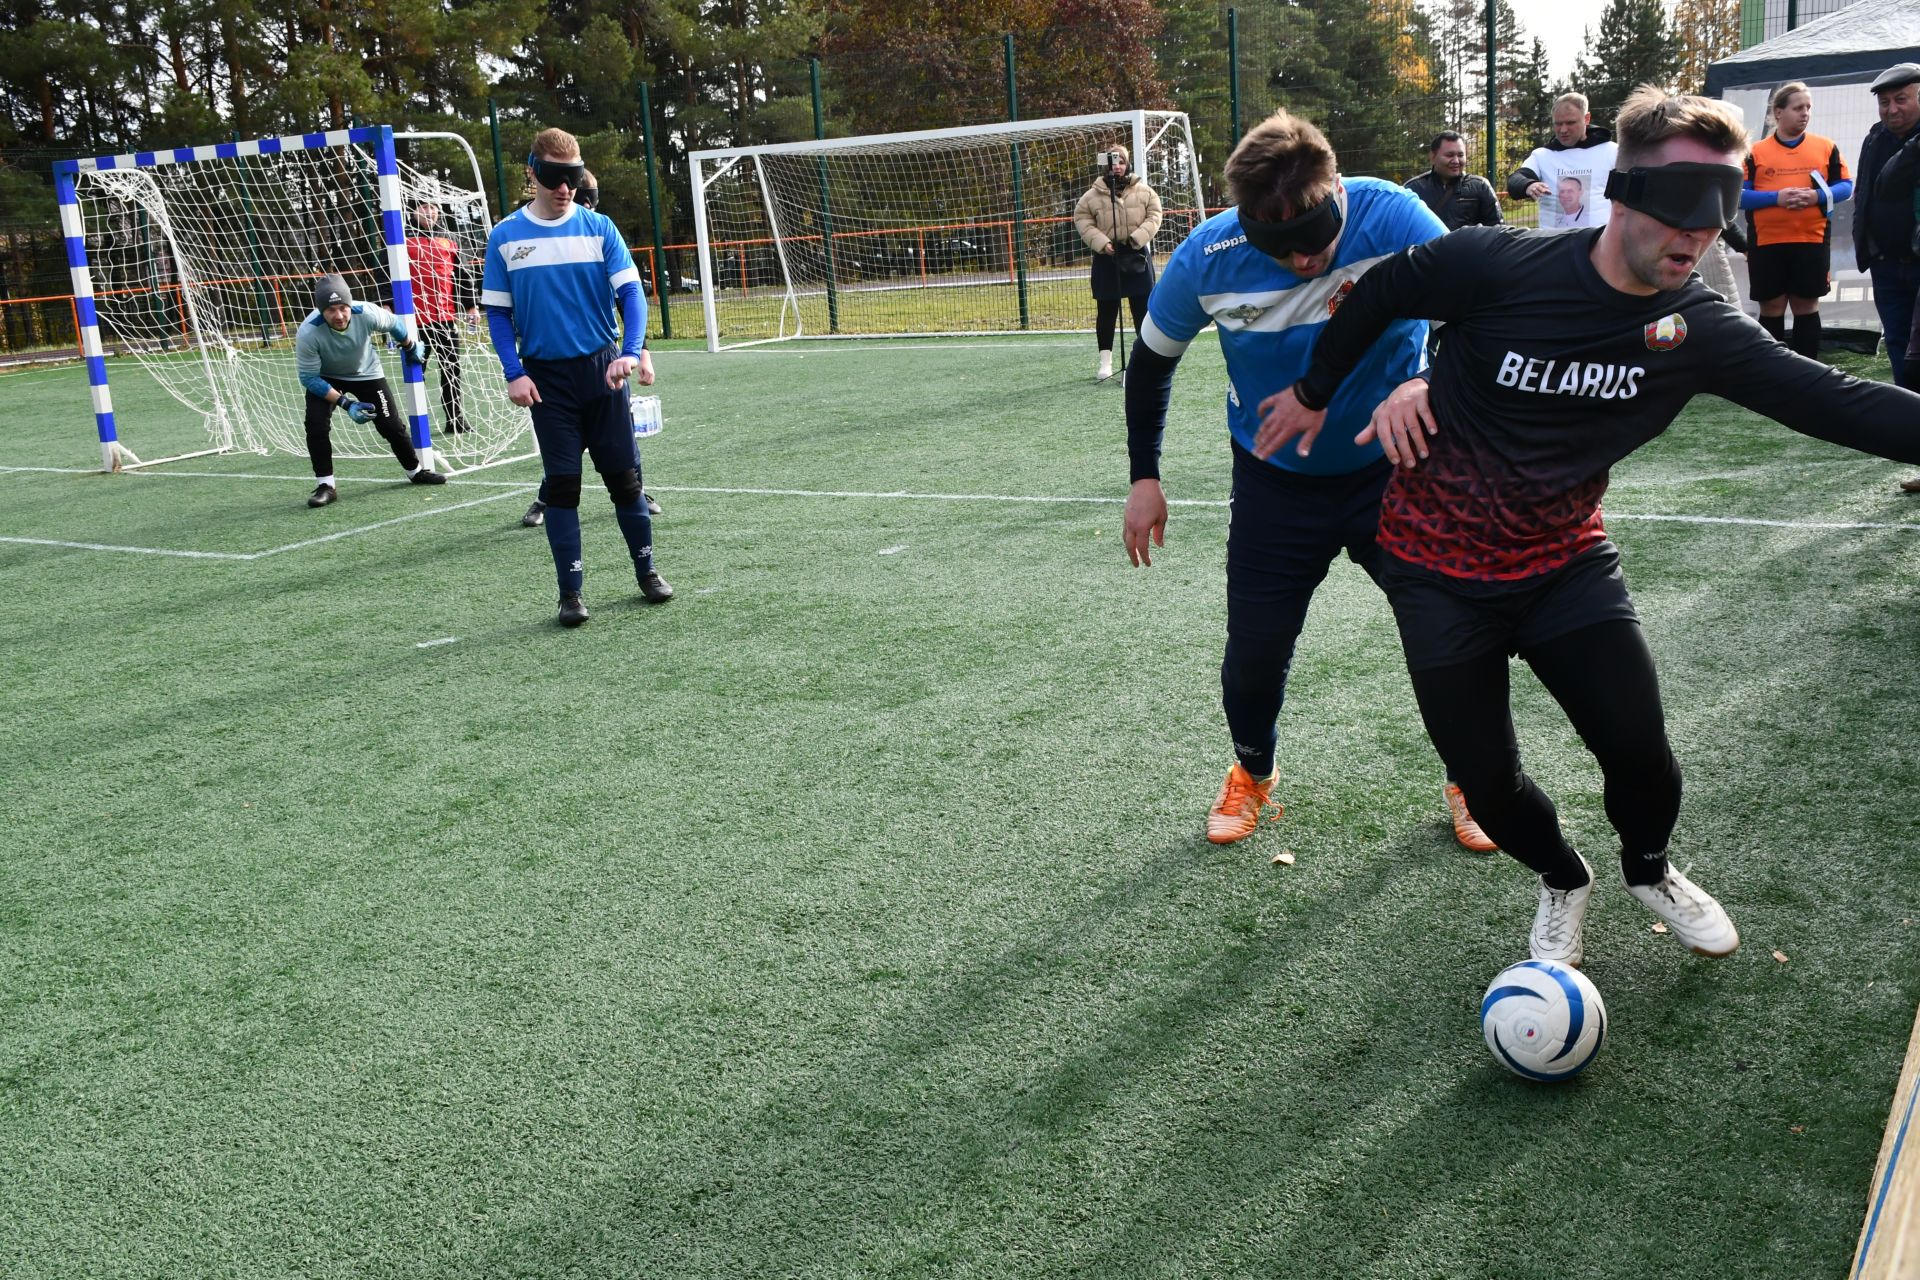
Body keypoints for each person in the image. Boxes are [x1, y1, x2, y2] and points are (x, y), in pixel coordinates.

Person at [1256, 86, 1920, 968]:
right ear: (1624, 193)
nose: (1699, 234)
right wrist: (1317, 390)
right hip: (1434, 573)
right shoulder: (1498, 266)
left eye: (1719, 213)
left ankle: (1649, 869)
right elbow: (1383, 292)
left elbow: (1845, 406)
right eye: (1683, 207)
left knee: (1644, 758)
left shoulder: (1700, 331)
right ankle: (1564, 879)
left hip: (1565, 566)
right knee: (1488, 786)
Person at [1120, 109, 1496, 854]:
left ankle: (1475, 777)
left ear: (1335, 196)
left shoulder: (1394, 216)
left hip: (1400, 468)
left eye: (1314, 243)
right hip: (1274, 485)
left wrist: (1425, 383)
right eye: (1279, 246)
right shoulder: (1207, 255)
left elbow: (1484, 315)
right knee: (1253, 654)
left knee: (1452, 635)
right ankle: (1254, 772)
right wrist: (1144, 476)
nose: (1301, 263)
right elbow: (1152, 363)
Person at [482, 129, 669, 627]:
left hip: (602, 371)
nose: (565, 187)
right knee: (563, 487)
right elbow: (498, 315)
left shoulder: (600, 228)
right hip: (547, 383)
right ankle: (571, 593)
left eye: (572, 176)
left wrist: (630, 353)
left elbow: (631, 295)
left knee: (625, 482)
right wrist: (513, 372)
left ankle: (647, 573)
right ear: (532, 173)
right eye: (553, 176)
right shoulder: (505, 237)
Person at [520, 168, 662, 527]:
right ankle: (545, 498)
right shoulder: (535, 236)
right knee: (564, 444)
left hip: (603, 360)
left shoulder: (599, 231)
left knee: (620, 436)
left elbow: (626, 296)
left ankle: (636, 491)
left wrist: (639, 351)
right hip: (555, 367)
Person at [294, 273, 446, 507]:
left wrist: (410, 346)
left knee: (391, 425)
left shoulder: (366, 312)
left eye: (343, 308)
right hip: (325, 376)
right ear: (321, 310)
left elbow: (394, 324)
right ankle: (326, 485)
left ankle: (415, 472)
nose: (339, 315)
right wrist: (346, 403)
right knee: (315, 424)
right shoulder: (308, 332)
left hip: (366, 372)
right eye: (331, 310)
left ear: (350, 304)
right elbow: (309, 377)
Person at [1740, 81, 1853, 360]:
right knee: (1772, 307)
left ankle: (1808, 371)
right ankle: (1772, 371)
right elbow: (1738, 195)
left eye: (1808, 108)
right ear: (1778, 113)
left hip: (1810, 240)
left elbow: (1846, 186)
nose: (1805, 113)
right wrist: (1776, 198)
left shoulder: (1826, 147)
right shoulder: (1755, 152)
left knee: (1806, 305)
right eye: (1797, 107)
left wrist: (1815, 196)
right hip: (1767, 242)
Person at [1858, 63, 1920, 404]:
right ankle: (1909, 417)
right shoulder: (1875, 137)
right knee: (1897, 341)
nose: (1892, 109)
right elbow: (1865, 192)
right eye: (1885, 102)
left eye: (1901, 99)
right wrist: (1867, 246)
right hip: (1886, 264)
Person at [1075, 144, 1163, 383]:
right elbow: (1082, 219)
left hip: (1136, 255)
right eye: (1113, 162)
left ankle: (1145, 360)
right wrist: (1102, 243)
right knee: (1106, 311)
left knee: (1142, 311)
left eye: (1121, 161)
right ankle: (1105, 363)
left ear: (1128, 164)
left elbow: (1155, 215)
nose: (1117, 166)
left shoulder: (1145, 191)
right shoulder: (1092, 195)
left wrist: (1138, 238)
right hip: (1107, 257)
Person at [404, 199, 479, 436]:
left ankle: (455, 419)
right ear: (413, 212)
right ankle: (416, 423)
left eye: (433, 207)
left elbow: (462, 275)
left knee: (451, 369)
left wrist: (471, 306)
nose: (430, 212)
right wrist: (387, 305)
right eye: (423, 207)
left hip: (445, 318)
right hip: (414, 321)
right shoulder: (402, 240)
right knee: (416, 372)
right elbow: (387, 273)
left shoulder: (449, 239)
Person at [1509, 92, 1618, 230]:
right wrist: (1528, 185)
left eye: (1570, 123)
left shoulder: (1612, 152)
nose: (1563, 130)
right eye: (1558, 124)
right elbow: (1515, 181)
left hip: (1599, 245)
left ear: (1587, 118)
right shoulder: (1542, 156)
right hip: (1552, 246)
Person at [1404, 132, 1502, 231]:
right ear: (1433, 157)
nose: (1456, 161)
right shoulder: (1414, 189)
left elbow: (1497, 231)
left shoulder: (1481, 187)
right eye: (1449, 155)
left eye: (1460, 155)